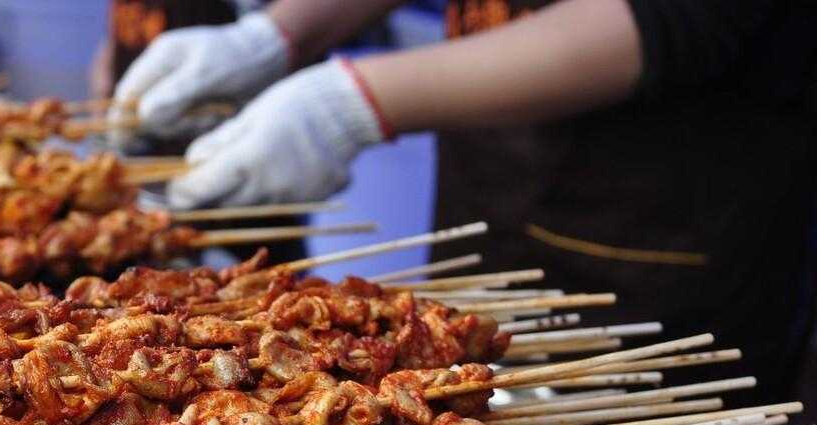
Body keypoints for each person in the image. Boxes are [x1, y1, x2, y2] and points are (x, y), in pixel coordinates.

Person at [109, 0, 817, 404]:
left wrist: (357, 101)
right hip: (493, 168)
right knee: (454, 391)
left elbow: (680, 16)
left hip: (667, 217)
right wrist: (281, 33)